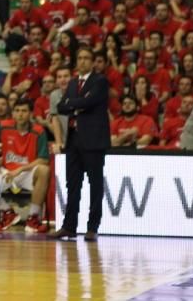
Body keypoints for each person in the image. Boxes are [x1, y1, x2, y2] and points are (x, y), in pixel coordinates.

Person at [49, 47, 109, 242]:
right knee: (72, 184)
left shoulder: (99, 81)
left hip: (93, 140)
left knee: (95, 185)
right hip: (73, 140)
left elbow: (89, 102)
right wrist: (79, 103)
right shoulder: (74, 82)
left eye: (86, 58)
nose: (82, 61)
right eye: (79, 58)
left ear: (93, 62)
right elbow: (61, 106)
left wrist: (75, 104)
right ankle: (69, 226)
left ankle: (92, 227)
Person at [0, 99, 50, 233]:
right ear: (12, 113)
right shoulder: (3, 126)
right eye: (17, 111)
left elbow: (43, 159)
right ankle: (7, 213)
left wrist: (21, 169)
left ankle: (33, 218)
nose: (20, 114)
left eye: (24, 111)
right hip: (6, 172)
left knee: (44, 170)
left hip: (27, 172)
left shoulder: (39, 131)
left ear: (30, 113)